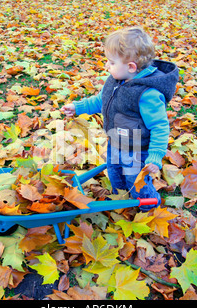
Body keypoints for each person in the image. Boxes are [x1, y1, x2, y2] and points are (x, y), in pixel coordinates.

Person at [61, 27, 178, 211]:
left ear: (131, 67)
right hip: (115, 141)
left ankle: (148, 204)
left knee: (136, 181)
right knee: (114, 173)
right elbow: (101, 100)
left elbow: (159, 126)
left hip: (137, 150)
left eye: (111, 62)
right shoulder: (116, 79)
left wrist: (155, 155)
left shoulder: (147, 94)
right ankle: (121, 197)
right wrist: (79, 107)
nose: (107, 66)